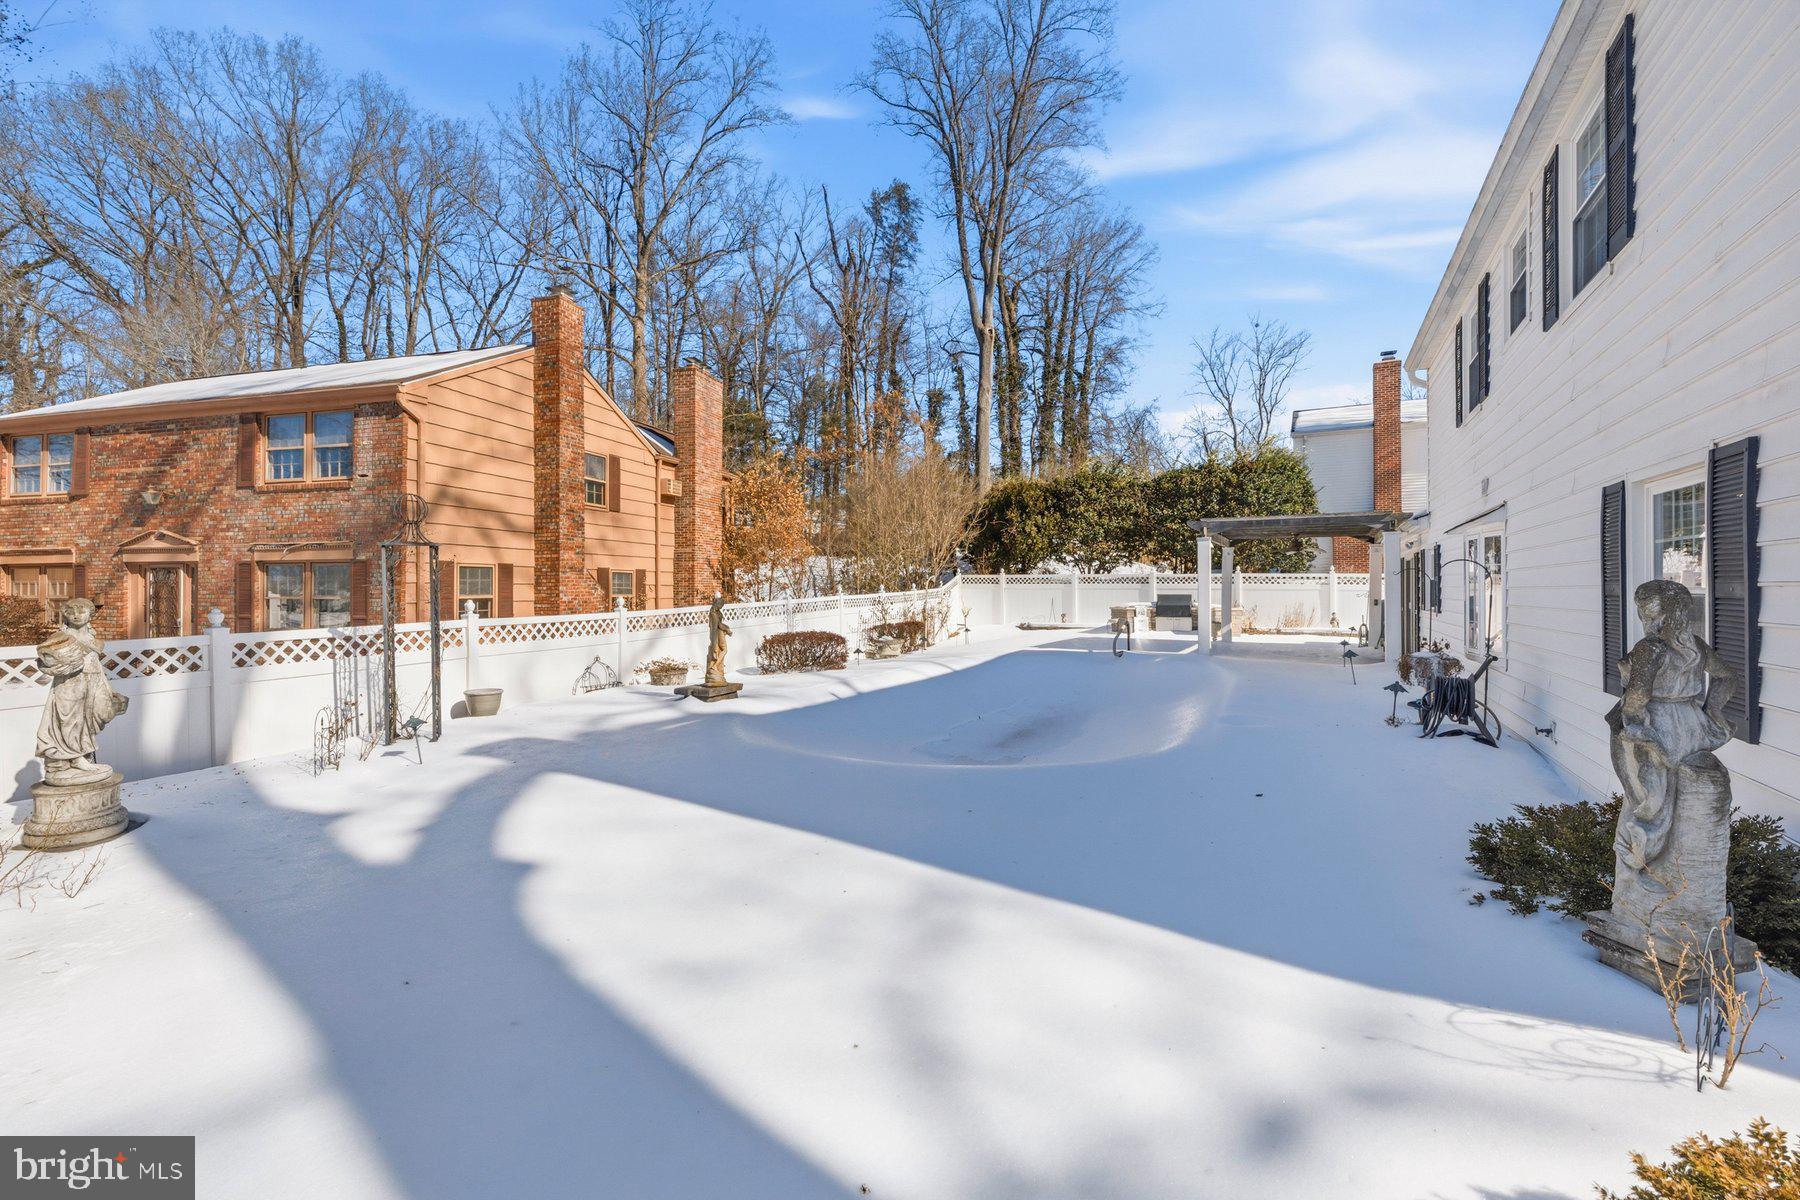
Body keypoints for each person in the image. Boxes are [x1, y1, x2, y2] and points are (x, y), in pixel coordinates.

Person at [35, 598, 129, 786]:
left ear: (90, 615)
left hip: (92, 683)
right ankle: (62, 761)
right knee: (68, 722)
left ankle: (80, 757)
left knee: (88, 721)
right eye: (71, 611)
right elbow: (45, 659)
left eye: (82, 611)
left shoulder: (93, 641)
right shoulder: (61, 639)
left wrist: (108, 690)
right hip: (69, 686)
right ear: (65, 615)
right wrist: (69, 663)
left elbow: (97, 667)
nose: (77, 615)